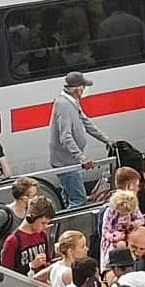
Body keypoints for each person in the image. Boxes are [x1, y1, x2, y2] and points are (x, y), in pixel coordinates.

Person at [49, 71, 109, 209]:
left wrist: (106, 140)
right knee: (79, 201)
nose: (85, 90)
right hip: (67, 163)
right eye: (84, 86)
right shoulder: (64, 105)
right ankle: (69, 227)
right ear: (78, 89)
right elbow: (65, 137)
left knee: (69, 197)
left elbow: (86, 122)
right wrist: (82, 158)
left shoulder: (71, 102)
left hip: (68, 161)